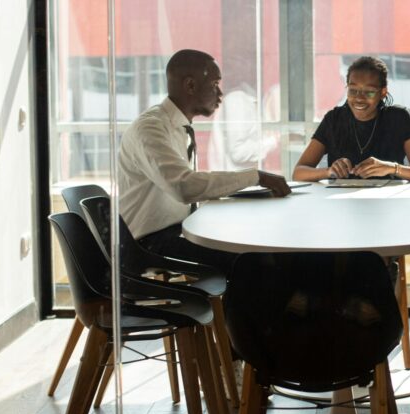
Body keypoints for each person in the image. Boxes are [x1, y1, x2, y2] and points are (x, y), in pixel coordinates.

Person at [119, 49, 291, 272]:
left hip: (178, 231)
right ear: (190, 85)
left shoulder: (178, 127)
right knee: (249, 261)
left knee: (255, 247)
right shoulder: (150, 128)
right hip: (149, 245)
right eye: (214, 84)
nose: (220, 93)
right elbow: (184, 187)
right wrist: (255, 177)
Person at [292, 56, 410, 181]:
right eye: (353, 90)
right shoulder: (334, 119)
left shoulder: (398, 118)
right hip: (340, 198)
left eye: (369, 92)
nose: (359, 98)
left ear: (383, 92)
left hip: (386, 198)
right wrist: (329, 171)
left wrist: (392, 168)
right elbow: (298, 173)